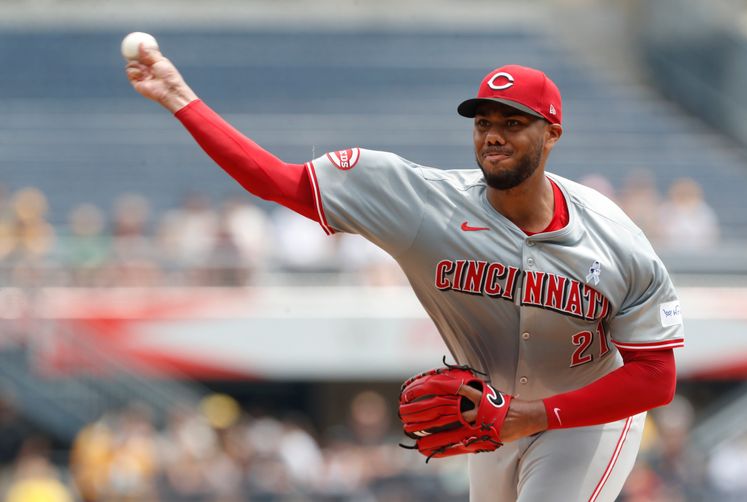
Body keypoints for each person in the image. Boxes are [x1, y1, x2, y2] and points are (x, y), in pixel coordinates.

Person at [125, 45, 684, 502]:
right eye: (484, 122)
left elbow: (656, 377)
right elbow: (279, 182)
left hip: (584, 416)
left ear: (552, 133)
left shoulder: (616, 238)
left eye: (514, 123)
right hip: (488, 418)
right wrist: (180, 99)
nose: (493, 135)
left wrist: (536, 415)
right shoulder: (424, 204)